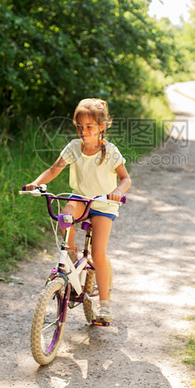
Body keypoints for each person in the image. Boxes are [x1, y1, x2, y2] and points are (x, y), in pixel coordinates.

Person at [25, 98, 131, 325]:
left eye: (89, 127)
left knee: (98, 253)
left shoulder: (109, 151)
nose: (83, 132)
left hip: (103, 203)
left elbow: (125, 178)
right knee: (65, 213)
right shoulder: (74, 147)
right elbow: (55, 169)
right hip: (82, 198)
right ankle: (71, 253)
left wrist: (117, 191)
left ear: (102, 127)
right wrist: (36, 183)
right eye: (79, 127)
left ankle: (103, 305)